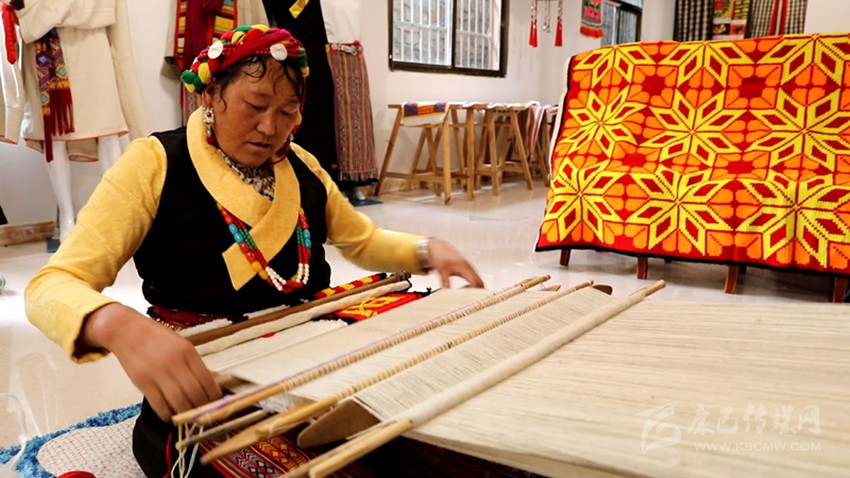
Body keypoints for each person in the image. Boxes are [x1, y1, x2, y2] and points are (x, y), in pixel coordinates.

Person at [25, 24, 489, 477]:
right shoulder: (155, 163)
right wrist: (115, 324)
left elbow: (362, 240)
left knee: (452, 438)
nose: (270, 128)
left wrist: (428, 250)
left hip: (313, 360)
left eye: (287, 111)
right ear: (210, 95)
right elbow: (53, 283)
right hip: (210, 386)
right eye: (256, 104)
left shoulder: (302, 166)